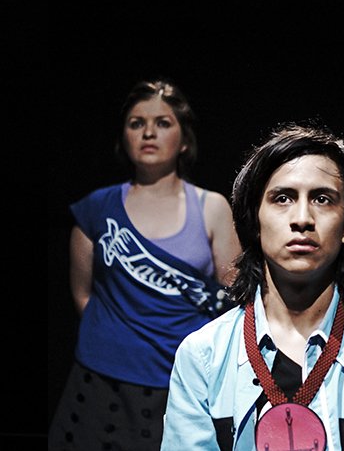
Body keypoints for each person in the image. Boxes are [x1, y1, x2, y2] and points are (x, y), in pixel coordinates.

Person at [160, 122, 344, 451]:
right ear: (254, 220)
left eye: (322, 199)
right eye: (283, 198)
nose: (302, 218)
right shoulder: (202, 355)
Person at [48, 78, 242, 451]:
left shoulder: (212, 207)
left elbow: (233, 298)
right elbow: (82, 295)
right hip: (97, 383)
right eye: (136, 123)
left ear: (184, 140)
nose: (148, 132)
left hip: (176, 383)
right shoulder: (97, 208)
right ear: (123, 136)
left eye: (163, 123)